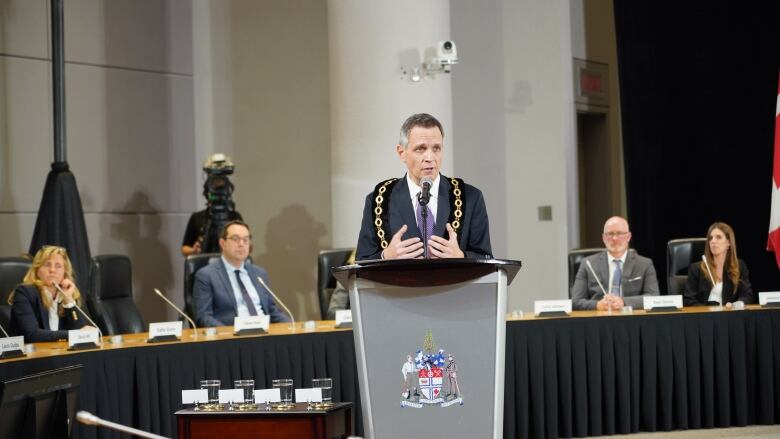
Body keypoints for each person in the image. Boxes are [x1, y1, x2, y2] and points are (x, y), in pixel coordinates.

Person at [356, 113, 492, 260]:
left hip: (452, 283)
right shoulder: (379, 200)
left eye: (436, 148)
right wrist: (385, 256)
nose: (430, 158)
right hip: (399, 283)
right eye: (421, 149)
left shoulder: (470, 197)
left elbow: (486, 258)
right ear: (402, 153)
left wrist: (461, 256)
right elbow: (361, 262)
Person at [193, 220, 290, 326]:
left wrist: (292, 325)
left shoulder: (260, 274)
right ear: (222, 243)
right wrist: (229, 334)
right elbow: (203, 317)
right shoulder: (206, 275)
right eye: (235, 239)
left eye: (246, 239)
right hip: (233, 337)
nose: (241, 244)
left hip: (264, 333)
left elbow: (272, 311)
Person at [571, 216, 660, 310]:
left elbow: (653, 297)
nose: (614, 238)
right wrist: (597, 305)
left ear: (628, 237)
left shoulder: (645, 264)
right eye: (610, 234)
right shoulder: (588, 263)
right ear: (603, 238)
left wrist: (623, 302)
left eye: (619, 233)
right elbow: (575, 301)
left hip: (631, 319)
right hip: (599, 319)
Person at [8, 246, 93, 342]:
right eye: (47, 265)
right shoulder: (24, 293)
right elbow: (32, 334)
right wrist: (75, 334)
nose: (52, 270)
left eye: (58, 266)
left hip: (60, 353)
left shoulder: (68, 293)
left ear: (64, 273)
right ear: (37, 270)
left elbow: (82, 334)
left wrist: (68, 301)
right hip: (31, 354)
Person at [684, 222, 752, 307]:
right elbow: (689, 299)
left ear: (728, 243)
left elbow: (747, 296)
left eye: (718, 237)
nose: (713, 241)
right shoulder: (696, 268)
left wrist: (735, 305)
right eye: (711, 238)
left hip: (729, 317)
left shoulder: (739, 266)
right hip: (703, 317)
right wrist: (707, 311)